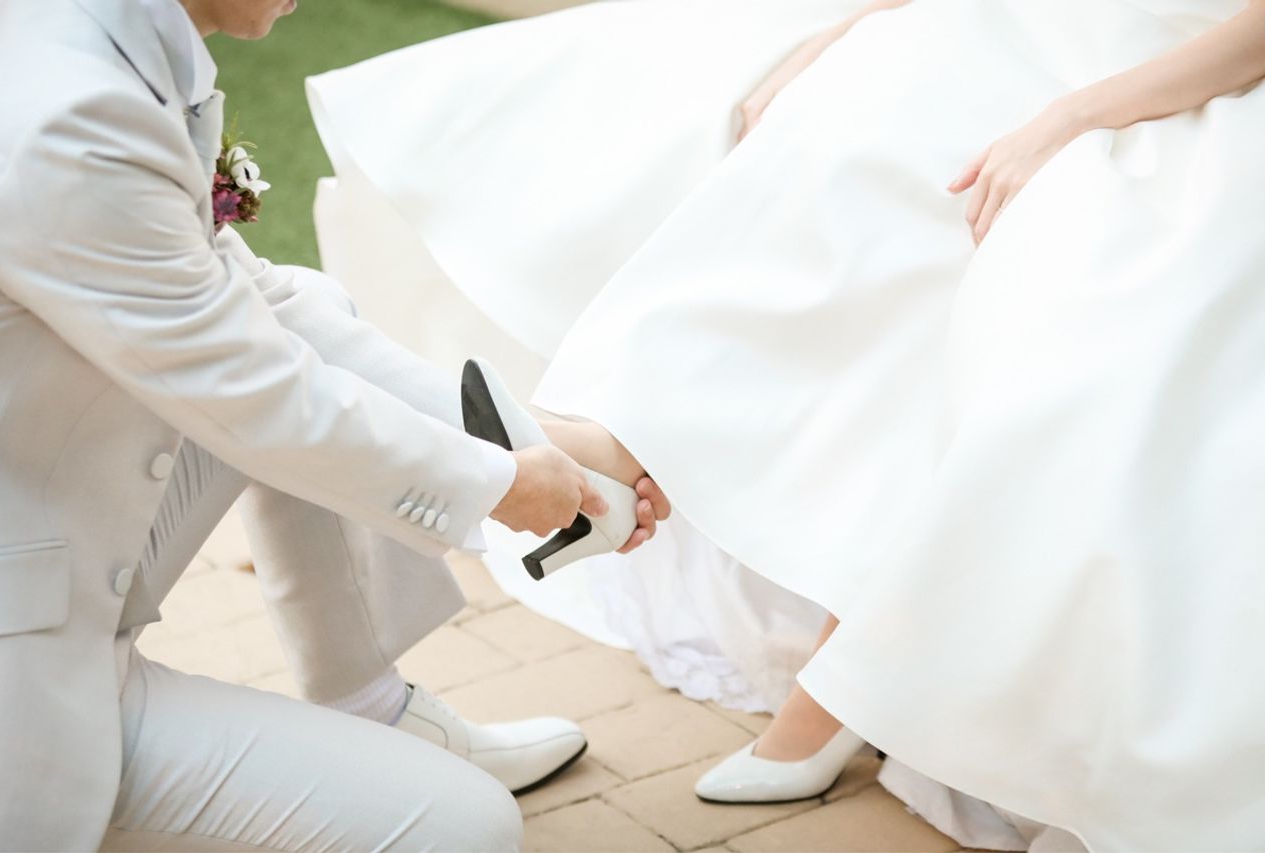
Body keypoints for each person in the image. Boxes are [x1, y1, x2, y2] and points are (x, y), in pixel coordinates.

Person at [308, 0, 1265, 847]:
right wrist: (856, 23)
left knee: (1039, 230)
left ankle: (829, 649)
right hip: (1031, 25)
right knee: (856, 110)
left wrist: (1072, 115)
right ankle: (608, 440)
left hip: (1184, 73)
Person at [0, 0, 668, 849]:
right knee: (467, 829)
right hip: (20, 661)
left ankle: (368, 707)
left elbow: (264, 311)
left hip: (37, 517)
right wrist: (499, 484)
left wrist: (546, 437)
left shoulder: (84, 32)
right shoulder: (73, 118)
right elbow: (258, 398)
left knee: (306, 304)